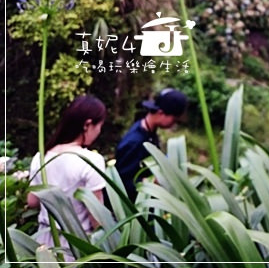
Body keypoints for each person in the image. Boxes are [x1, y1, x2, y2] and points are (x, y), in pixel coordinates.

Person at [27, 95, 107, 251]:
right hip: (78, 244)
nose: (99, 132)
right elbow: (95, 216)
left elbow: (32, 202)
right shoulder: (91, 160)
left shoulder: (42, 156)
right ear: (88, 124)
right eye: (99, 126)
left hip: (44, 243)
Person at [115, 87, 187, 200]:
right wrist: (152, 182)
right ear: (161, 113)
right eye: (174, 120)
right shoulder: (134, 141)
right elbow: (122, 182)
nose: (174, 125)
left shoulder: (149, 132)